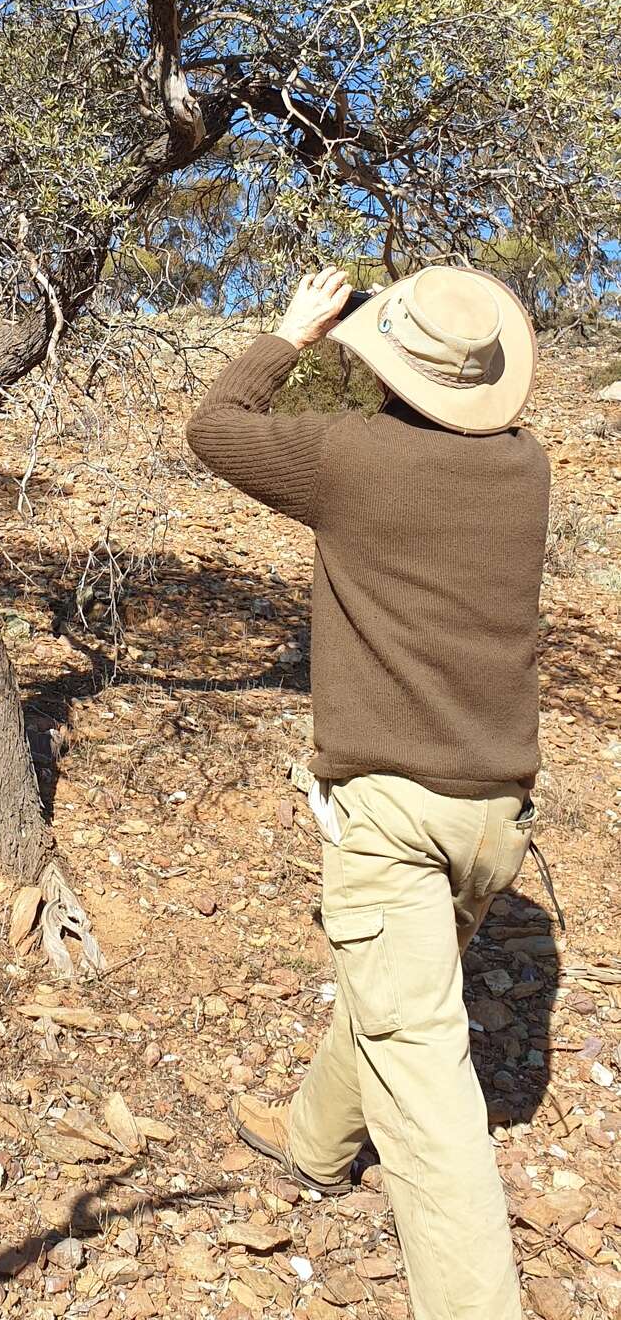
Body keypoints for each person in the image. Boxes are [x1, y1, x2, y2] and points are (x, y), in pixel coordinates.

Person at [185, 263, 551, 1320]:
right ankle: (313, 1140)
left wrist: (288, 333)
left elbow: (216, 425)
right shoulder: (525, 469)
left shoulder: (348, 458)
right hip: (495, 816)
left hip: (393, 810)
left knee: (430, 1097)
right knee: (405, 998)